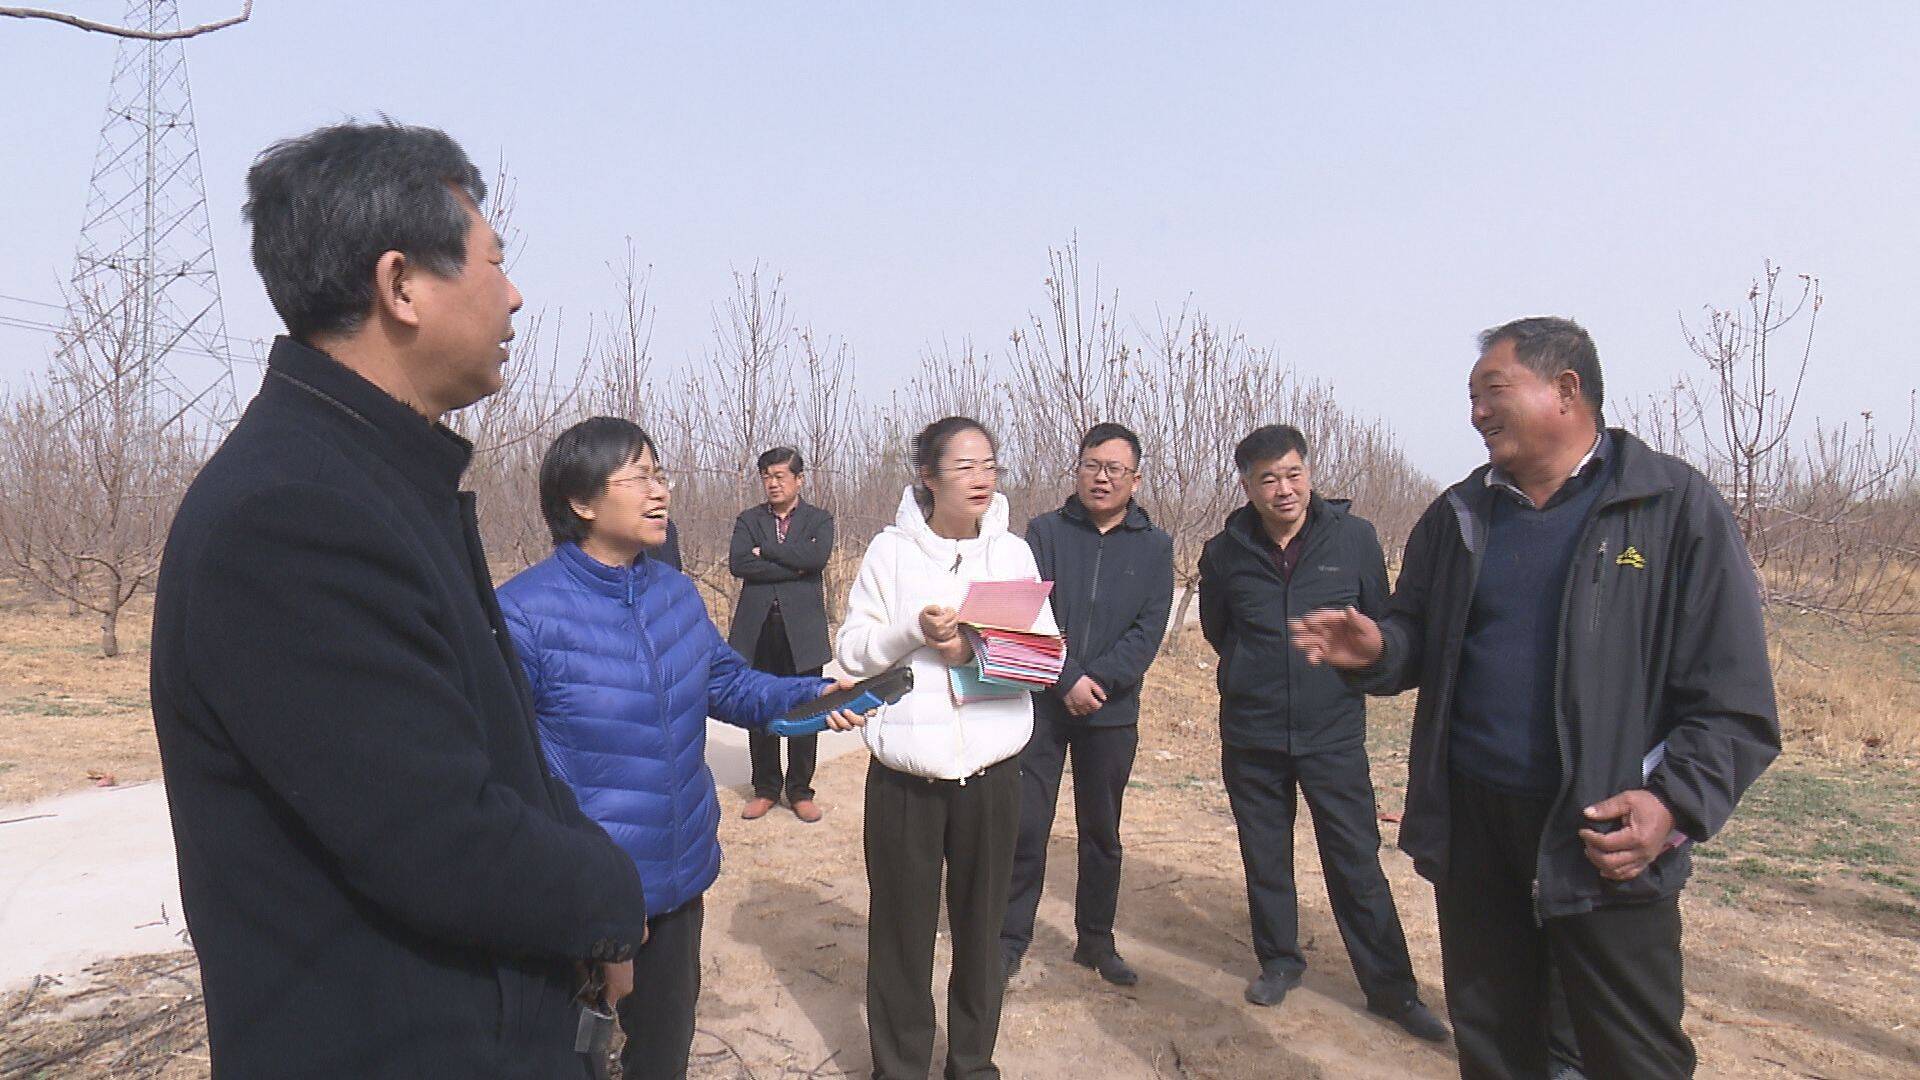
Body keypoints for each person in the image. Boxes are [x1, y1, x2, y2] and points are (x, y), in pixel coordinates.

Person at [149, 122, 649, 1078]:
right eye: (494, 262)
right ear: (402, 285)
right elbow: (439, 837)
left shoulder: (375, 478)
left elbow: (494, 755)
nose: (513, 294)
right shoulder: (290, 517)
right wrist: (612, 895)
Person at [1292, 317, 1781, 1079]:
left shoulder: (1670, 508)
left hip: (1606, 831)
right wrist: (1382, 649)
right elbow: (1418, 628)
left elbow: (1737, 699)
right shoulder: (1461, 515)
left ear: (1566, 389)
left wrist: (1675, 803)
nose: (1478, 413)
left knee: (1631, 1053)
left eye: (1494, 391)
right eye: (1471, 397)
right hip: (1477, 827)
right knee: (1494, 1041)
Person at [498, 417, 862, 1080]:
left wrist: (815, 698)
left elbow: (726, 684)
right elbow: (503, 773)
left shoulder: (672, 592)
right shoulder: (524, 616)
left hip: (677, 879)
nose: (659, 490)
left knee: (662, 1055)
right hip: (584, 897)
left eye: (660, 474)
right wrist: (576, 898)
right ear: (580, 502)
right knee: (570, 1058)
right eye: (637, 477)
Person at [1196, 424, 1449, 1043]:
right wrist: (1254, 672)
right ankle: (1279, 961)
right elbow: (1218, 630)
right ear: (1248, 486)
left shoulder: (1355, 539)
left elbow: (1378, 627)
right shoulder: (1223, 552)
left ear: (1308, 473)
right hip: (1252, 734)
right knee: (1266, 856)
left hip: (1332, 731)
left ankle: (1392, 989)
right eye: (1268, 479)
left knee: (1355, 859)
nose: (1284, 489)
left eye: (1293, 473)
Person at [837, 416, 1059, 1080]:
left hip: (991, 777)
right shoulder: (890, 553)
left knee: (981, 933)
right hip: (905, 778)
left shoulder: (1011, 554)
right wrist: (913, 629)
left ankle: (971, 1064)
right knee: (900, 937)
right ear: (928, 478)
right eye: (963, 467)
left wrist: (966, 651)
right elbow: (851, 652)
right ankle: (899, 1068)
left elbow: (1040, 664)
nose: (981, 478)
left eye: (989, 464)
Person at [999, 422, 1174, 988]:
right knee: (1026, 826)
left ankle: (1096, 941)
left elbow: (1148, 631)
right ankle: (1009, 938)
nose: (1102, 478)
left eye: (1115, 469)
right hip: (1045, 706)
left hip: (1112, 711)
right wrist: (1066, 678)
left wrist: (1097, 681)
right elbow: (1030, 615)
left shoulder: (1154, 546)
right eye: (1092, 465)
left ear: (1136, 479)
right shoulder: (1044, 532)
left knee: (1102, 832)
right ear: (1077, 470)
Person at [729, 446, 836, 822]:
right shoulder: (748, 519)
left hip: (802, 632)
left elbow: (816, 560)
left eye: (780, 476)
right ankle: (766, 788)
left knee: (807, 708)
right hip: (757, 630)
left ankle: (800, 790)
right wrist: (794, 563)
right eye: (767, 477)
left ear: (798, 479)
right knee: (760, 708)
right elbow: (739, 564)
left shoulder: (819, 520)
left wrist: (768, 552)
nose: (773, 484)